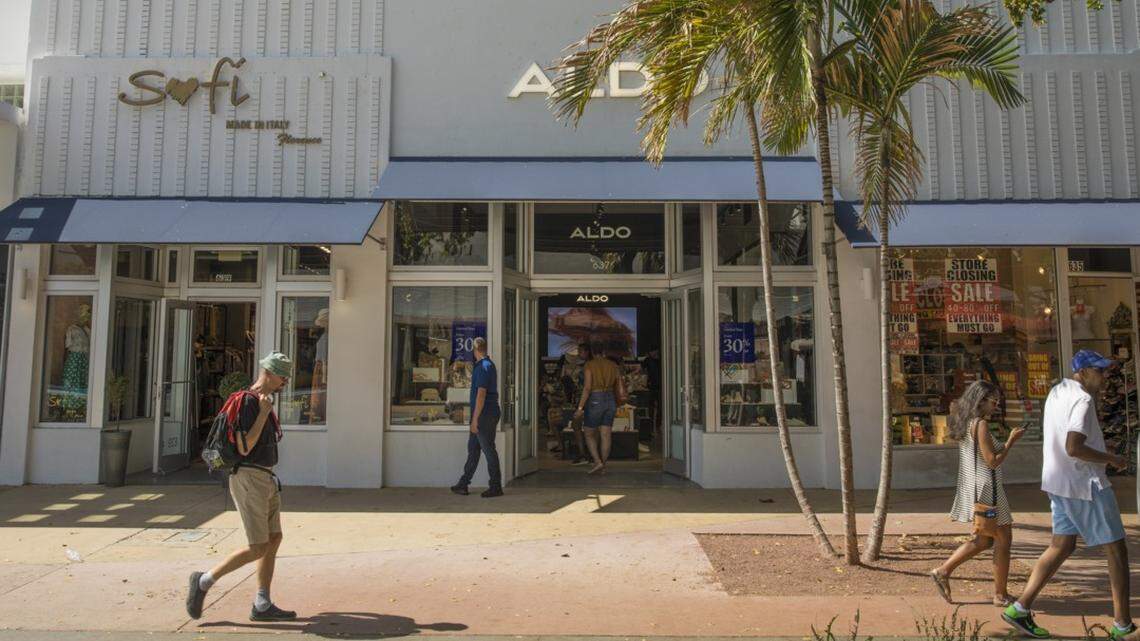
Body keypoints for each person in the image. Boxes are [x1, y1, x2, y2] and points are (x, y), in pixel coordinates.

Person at [1002, 350, 1135, 640]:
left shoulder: (1057, 391)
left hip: (1057, 482)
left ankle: (1019, 608)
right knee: (1116, 550)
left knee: (1062, 545)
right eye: (1099, 371)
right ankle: (1123, 626)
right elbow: (1074, 446)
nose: (1104, 376)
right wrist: (1111, 459)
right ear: (1084, 372)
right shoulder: (1083, 400)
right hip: (1084, 484)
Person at [185, 352, 296, 622]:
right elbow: (245, 445)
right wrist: (263, 412)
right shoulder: (249, 402)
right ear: (268, 373)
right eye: (282, 376)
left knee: (274, 538)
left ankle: (262, 603)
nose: (285, 382)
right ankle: (204, 581)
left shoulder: (261, 401)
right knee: (258, 546)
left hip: (265, 478)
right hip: (249, 479)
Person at [930, 380, 1025, 606]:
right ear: (981, 401)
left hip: (976, 487)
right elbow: (992, 461)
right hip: (988, 489)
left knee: (984, 540)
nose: (996, 406)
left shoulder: (966, 423)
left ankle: (943, 571)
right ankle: (1000, 595)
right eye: (994, 402)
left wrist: (1005, 444)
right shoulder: (980, 425)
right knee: (1004, 539)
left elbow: (986, 454)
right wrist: (1011, 442)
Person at [451, 337, 504, 498]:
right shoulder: (489, 365)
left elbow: (481, 395)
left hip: (484, 415)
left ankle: (495, 486)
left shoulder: (483, 367)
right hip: (486, 413)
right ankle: (463, 483)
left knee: (488, 450)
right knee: (473, 450)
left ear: (475, 350)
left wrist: (475, 420)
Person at [574, 342, 626, 475]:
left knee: (589, 433)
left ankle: (597, 461)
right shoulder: (613, 365)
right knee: (606, 434)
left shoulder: (589, 365)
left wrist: (580, 407)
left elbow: (587, 388)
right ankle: (604, 465)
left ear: (592, 351)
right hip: (610, 399)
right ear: (604, 351)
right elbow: (619, 383)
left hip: (595, 399)